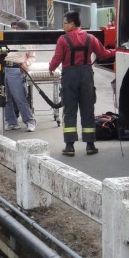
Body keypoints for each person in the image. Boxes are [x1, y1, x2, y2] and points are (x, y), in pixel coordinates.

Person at [49, 10, 115, 157]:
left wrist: (51, 68)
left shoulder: (63, 40)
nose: (63, 26)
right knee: (88, 110)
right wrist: (116, 51)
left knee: (70, 111)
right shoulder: (90, 38)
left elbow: (57, 58)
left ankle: (69, 146)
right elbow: (103, 54)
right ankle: (90, 145)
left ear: (72, 24)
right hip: (86, 76)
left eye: (64, 23)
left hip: (69, 77)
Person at [4, 19, 36, 132]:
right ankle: (11, 122)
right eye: (19, 29)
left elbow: (32, 57)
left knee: (19, 97)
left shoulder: (28, 41)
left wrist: (26, 63)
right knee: (5, 98)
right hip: (3, 68)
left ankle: (30, 121)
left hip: (16, 69)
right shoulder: (7, 36)